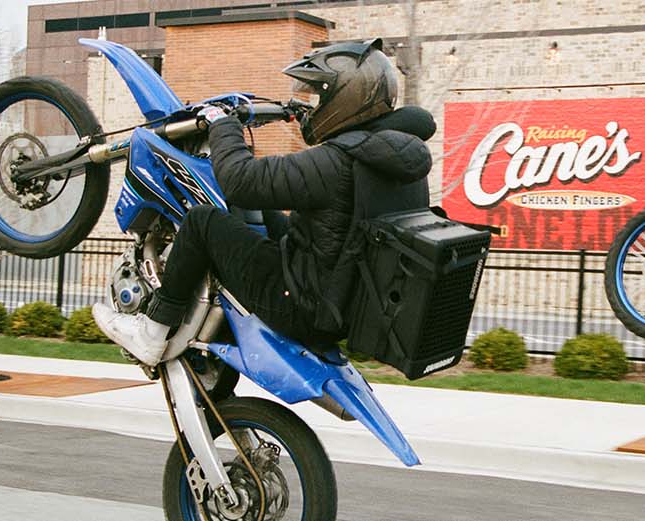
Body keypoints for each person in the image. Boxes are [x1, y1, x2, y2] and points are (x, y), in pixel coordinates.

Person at [92, 39, 435, 366]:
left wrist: (221, 124)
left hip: (300, 305)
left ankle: (152, 331)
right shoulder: (397, 160)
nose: (318, 107)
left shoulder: (336, 162)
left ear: (345, 100)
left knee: (202, 221)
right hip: (336, 299)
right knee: (262, 210)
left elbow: (240, 180)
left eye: (321, 99)